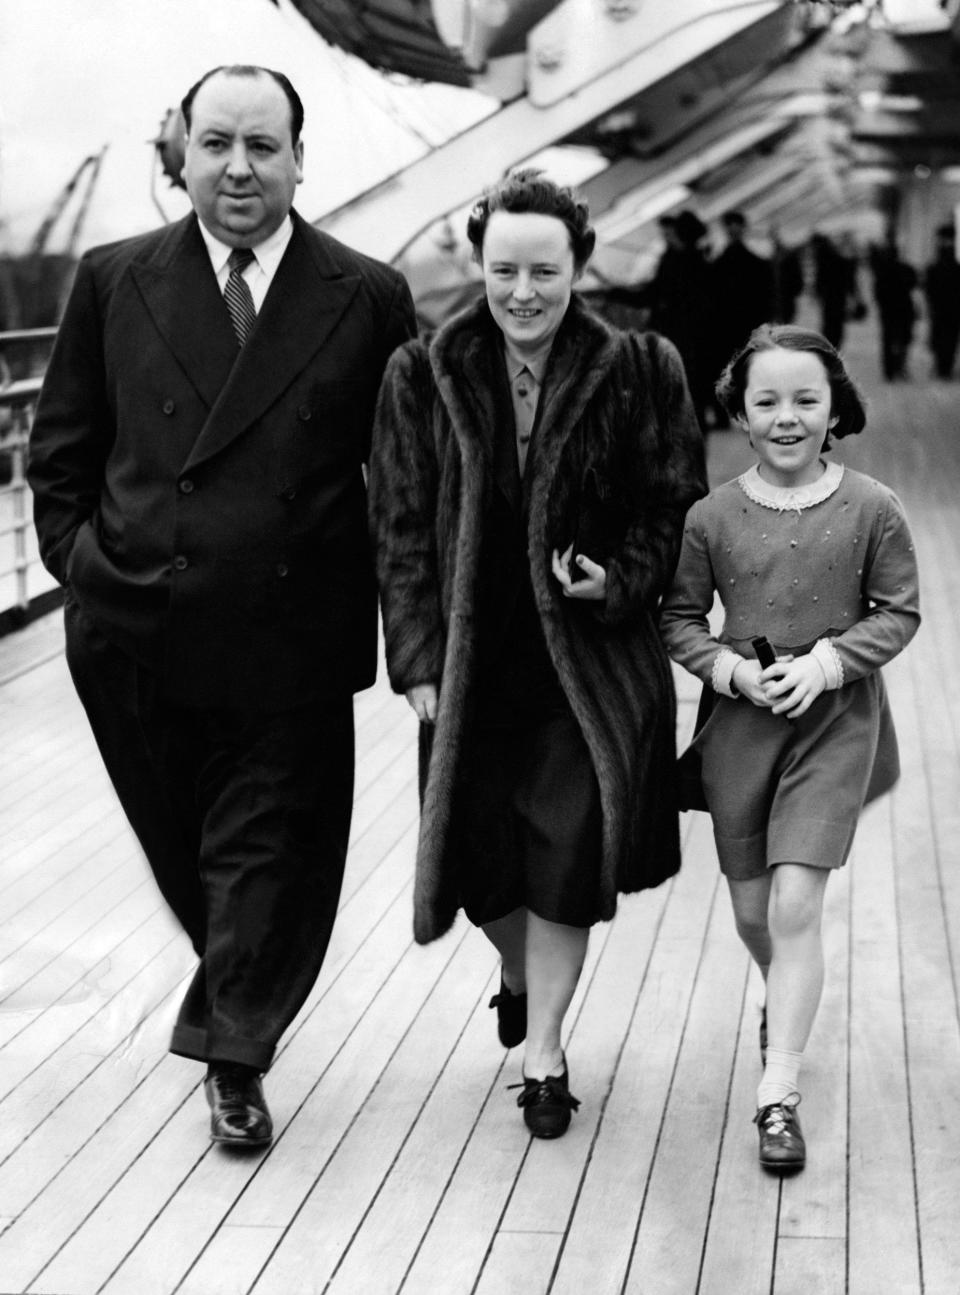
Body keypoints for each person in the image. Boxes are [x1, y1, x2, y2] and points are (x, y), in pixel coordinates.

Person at [27, 65, 417, 1148]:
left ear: (301, 157)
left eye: (262, 145)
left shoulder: (369, 293)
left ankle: (235, 1054)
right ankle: (241, 990)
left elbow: (407, 480)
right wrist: (86, 564)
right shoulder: (112, 280)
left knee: (265, 850)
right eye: (217, 144)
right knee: (186, 849)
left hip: (289, 632)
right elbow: (60, 453)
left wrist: (416, 631)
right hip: (130, 630)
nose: (238, 167)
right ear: (184, 155)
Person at [368, 170, 706, 1139]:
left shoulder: (642, 368)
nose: (523, 291)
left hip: (586, 664)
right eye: (503, 268)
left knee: (566, 852)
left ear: (579, 268)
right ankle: (516, 973)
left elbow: (672, 499)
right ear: (477, 265)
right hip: (473, 666)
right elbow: (395, 526)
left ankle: (546, 1048)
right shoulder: (419, 374)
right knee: (481, 866)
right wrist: (420, 657)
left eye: (544, 271)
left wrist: (623, 578)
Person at [660, 325, 920, 1172]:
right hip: (743, 730)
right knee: (751, 911)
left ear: (834, 406)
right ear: (738, 409)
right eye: (766, 400)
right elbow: (679, 619)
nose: (786, 417)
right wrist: (731, 672)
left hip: (834, 726)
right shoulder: (710, 516)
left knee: (798, 900)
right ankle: (786, 992)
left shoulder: (874, 506)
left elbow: (898, 610)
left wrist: (830, 662)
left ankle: (778, 1092)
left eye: (806, 399)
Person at [647, 209, 716, 429]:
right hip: (697, 341)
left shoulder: (678, 265)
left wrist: (613, 292)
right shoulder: (700, 263)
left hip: (680, 340)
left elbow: (655, 294)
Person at [709, 210, 774, 385]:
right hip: (739, 328)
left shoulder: (718, 265)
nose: (732, 230)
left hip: (730, 329)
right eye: (729, 226)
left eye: (734, 226)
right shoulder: (757, 264)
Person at [869, 232, 918, 380]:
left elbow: (877, 293)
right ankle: (900, 366)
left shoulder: (881, 272)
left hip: (888, 311)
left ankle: (889, 370)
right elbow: (914, 284)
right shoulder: (907, 269)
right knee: (904, 339)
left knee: (888, 339)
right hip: (904, 310)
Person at [922, 222, 960, 379]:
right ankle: (945, 366)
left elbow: (929, 287)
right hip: (949, 306)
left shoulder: (936, 265)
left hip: (942, 306)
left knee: (943, 337)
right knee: (948, 337)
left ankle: (943, 366)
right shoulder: (951, 264)